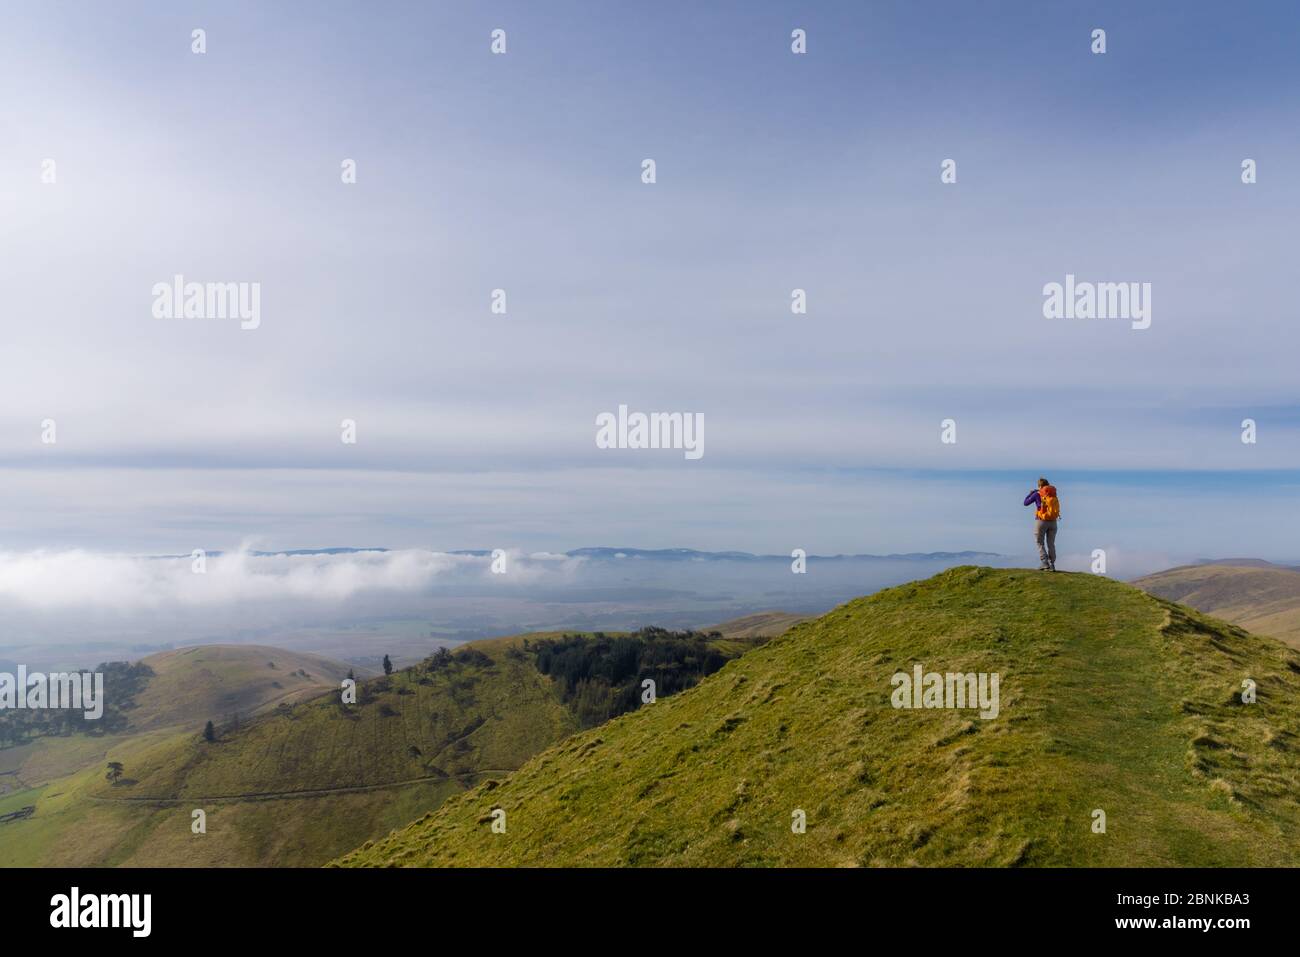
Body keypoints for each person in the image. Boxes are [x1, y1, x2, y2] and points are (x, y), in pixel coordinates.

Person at [1023, 478, 1061, 571]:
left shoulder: (1037, 494)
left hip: (1042, 521)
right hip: (1053, 521)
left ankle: (1044, 562)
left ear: (1039, 486)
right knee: (1051, 543)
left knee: (1039, 542)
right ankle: (1052, 564)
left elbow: (1025, 503)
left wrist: (1031, 493)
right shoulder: (1053, 494)